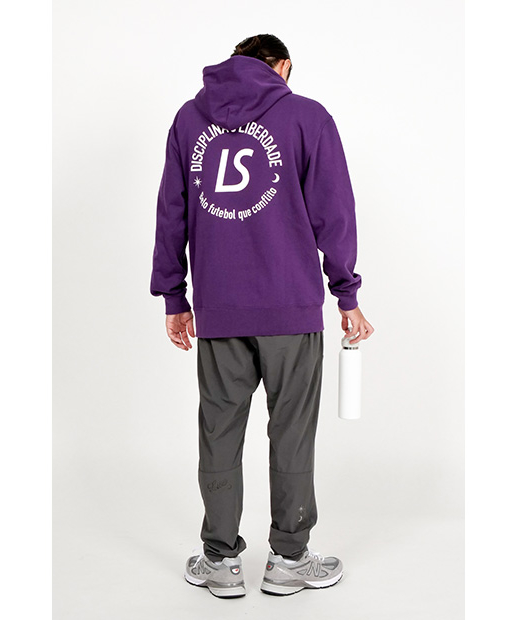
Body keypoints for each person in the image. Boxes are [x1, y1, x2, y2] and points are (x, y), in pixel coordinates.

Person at [150, 34, 375, 598]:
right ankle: (289, 559)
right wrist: (346, 293)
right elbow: (334, 212)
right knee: (291, 433)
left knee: (219, 432)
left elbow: (171, 211)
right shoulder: (307, 117)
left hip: (219, 309)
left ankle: (220, 561)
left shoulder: (188, 120)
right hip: (290, 308)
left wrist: (174, 296)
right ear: (283, 66)